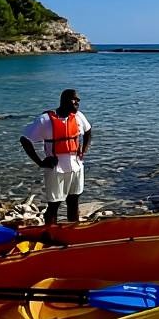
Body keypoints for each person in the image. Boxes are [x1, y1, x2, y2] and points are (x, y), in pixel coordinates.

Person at [20, 89, 92, 224]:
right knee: (54, 205)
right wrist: (40, 162)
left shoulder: (78, 117)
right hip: (55, 169)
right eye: (74, 99)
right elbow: (25, 139)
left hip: (76, 167)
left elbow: (88, 131)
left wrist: (84, 150)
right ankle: (50, 233)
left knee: (74, 201)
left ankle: (73, 231)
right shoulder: (45, 120)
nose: (78, 102)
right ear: (64, 100)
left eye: (78, 100)